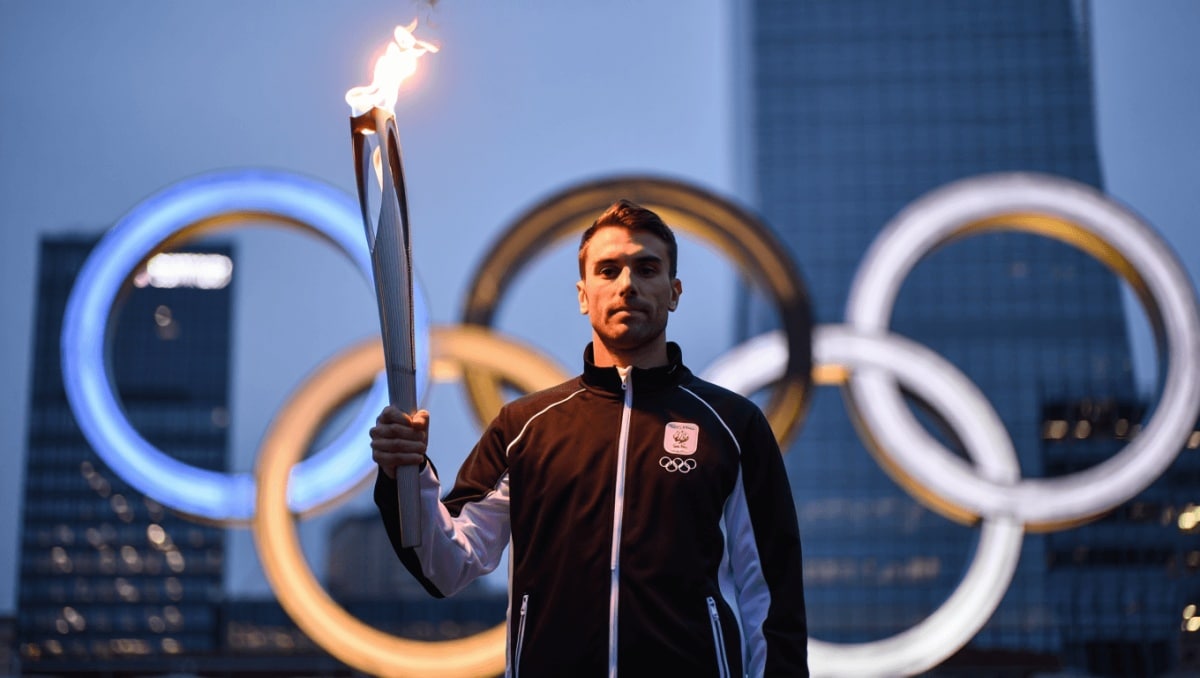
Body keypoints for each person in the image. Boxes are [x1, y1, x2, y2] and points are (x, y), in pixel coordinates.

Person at [370, 199, 809, 676]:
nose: (627, 285)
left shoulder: (732, 425)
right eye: (608, 270)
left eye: (647, 268)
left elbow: (770, 596)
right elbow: (448, 564)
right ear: (583, 294)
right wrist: (404, 473)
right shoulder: (524, 427)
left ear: (674, 290)